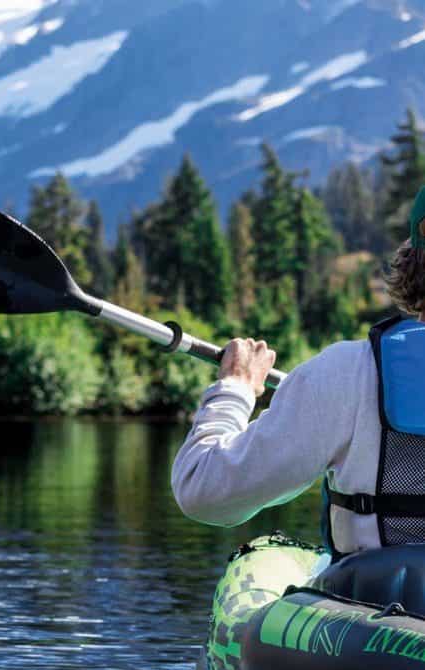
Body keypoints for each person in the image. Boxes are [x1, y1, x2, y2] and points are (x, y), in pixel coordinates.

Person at [171, 187, 425, 560]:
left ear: (413, 264)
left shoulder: (349, 373)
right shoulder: (349, 375)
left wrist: (235, 390)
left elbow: (203, 492)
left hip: (386, 598)